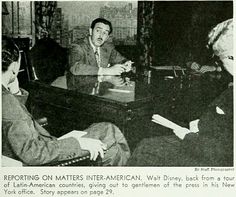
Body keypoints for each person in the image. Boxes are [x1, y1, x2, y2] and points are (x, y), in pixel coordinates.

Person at [2, 37, 130, 166]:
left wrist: (16, 93)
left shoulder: (6, 97)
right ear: (14, 67)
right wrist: (77, 144)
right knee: (111, 142)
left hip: (42, 146)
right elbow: (32, 153)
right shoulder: (7, 101)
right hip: (45, 157)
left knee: (109, 129)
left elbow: (17, 125)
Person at [127, 18, 233, 166]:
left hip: (207, 152)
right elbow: (185, 59)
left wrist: (188, 136)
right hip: (203, 137)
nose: (223, 63)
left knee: (146, 150)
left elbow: (222, 151)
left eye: (223, 59)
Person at [69, 18, 133, 76]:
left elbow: (122, 60)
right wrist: (107, 71)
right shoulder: (78, 46)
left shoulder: (108, 47)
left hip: (101, 85)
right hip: (81, 87)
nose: (101, 35)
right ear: (91, 31)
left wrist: (126, 64)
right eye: (98, 31)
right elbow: (75, 68)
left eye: (105, 33)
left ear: (107, 37)